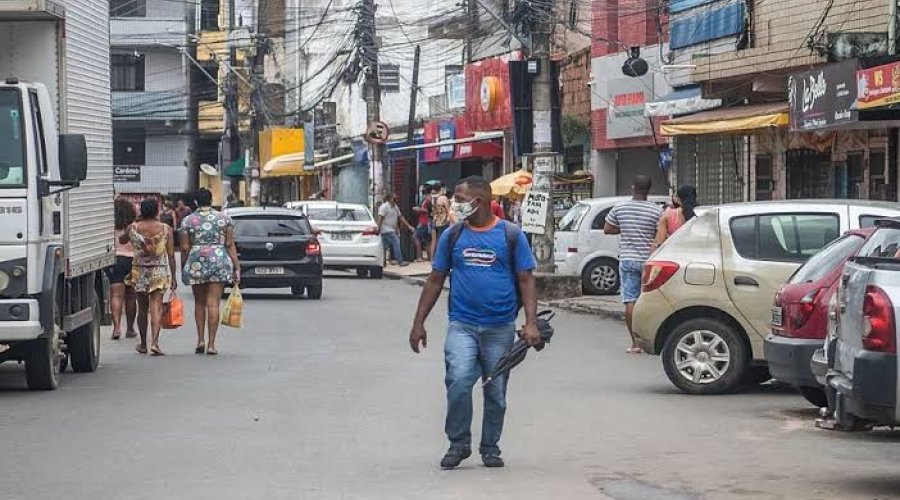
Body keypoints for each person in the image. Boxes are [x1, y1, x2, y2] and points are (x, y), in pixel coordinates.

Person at [409, 176, 541, 470]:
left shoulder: (510, 235)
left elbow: (526, 279)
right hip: (462, 325)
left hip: (500, 327)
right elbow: (434, 280)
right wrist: (418, 323)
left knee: (495, 391)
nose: (454, 202)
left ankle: (490, 446)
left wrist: (531, 322)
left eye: (458, 197)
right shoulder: (453, 235)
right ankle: (458, 443)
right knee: (458, 381)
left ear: (477, 201)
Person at [604, 175, 662, 354]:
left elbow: (608, 229)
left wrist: (626, 228)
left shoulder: (620, 207)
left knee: (630, 300)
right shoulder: (656, 210)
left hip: (628, 259)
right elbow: (660, 233)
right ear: (649, 190)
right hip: (649, 260)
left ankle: (635, 343)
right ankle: (650, 340)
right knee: (650, 301)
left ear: (632, 187)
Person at [180, 188, 240, 356]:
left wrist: (185, 266)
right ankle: (212, 344)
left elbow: (184, 247)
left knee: (199, 303)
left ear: (196, 202)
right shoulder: (224, 219)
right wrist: (236, 266)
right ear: (211, 200)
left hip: (196, 260)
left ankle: (200, 340)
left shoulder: (187, 221)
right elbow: (229, 244)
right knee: (213, 303)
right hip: (219, 260)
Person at [121, 198, 177, 356]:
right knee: (156, 307)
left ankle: (143, 343)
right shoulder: (166, 229)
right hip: (159, 270)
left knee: (142, 308)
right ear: (157, 211)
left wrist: (133, 226)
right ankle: (155, 343)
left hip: (140, 270)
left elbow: (122, 239)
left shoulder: (134, 227)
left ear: (141, 211)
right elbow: (171, 255)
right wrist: (173, 277)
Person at [108, 197, 138, 340]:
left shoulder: (110, 227)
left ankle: (116, 328)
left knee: (116, 295)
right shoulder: (133, 227)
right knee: (131, 296)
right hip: (132, 260)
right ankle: (130, 328)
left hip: (116, 260)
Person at [653, 184, 698, 251]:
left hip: (675, 256)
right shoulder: (703, 213)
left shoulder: (669, 215)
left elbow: (658, 242)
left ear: (679, 199)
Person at [377, 193, 414, 267]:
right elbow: (380, 218)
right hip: (386, 229)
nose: (396, 200)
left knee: (384, 246)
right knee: (396, 242)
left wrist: (408, 226)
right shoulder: (384, 207)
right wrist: (378, 228)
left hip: (391, 229)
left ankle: (382, 262)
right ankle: (400, 261)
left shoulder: (395, 207)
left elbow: (400, 217)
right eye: (394, 198)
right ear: (389, 199)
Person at [429, 187, 455, 259]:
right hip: (443, 221)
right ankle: (441, 256)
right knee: (443, 239)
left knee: (436, 239)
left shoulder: (435, 199)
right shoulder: (444, 198)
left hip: (436, 221)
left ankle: (433, 257)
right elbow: (448, 210)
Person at [412, 185, 435, 261]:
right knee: (427, 240)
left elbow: (428, 211)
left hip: (424, 221)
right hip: (425, 221)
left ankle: (419, 256)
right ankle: (429, 257)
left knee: (416, 236)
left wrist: (419, 209)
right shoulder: (427, 199)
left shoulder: (428, 199)